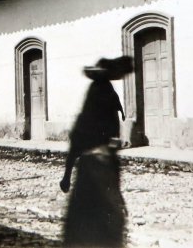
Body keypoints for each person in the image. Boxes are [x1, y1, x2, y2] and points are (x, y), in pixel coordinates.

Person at [61, 56, 133, 248]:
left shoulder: (100, 93)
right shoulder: (104, 93)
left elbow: (77, 139)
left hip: (94, 168)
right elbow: (82, 137)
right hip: (98, 168)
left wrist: (67, 175)